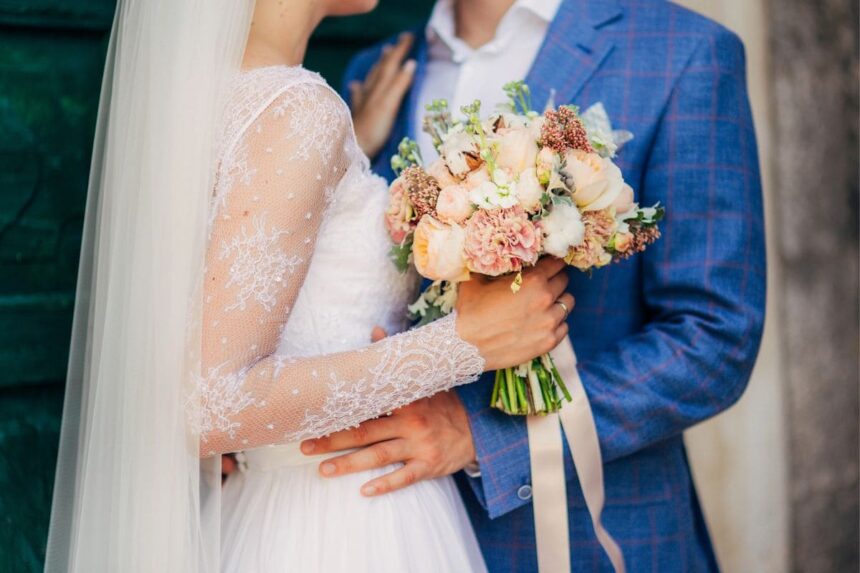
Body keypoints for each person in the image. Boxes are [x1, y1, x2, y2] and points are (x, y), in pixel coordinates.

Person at [45, 0, 574, 571]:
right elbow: (212, 404)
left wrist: (353, 160)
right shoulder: (296, 110)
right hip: (348, 519)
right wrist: (467, 343)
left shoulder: (186, 106)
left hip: (266, 504)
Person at [310, 0, 766, 570]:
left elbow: (715, 338)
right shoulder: (375, 71)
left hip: (594, 535)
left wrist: (480, 435)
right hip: (395, 531)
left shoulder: (683, 51)